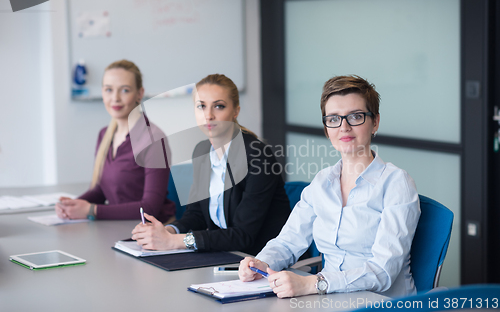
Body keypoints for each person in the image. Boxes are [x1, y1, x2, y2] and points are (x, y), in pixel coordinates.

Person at [239, 75, 421, 298]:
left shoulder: (396, 183)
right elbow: (288, 242)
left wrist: (313, 284)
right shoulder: (322, 182)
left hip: (381, 303)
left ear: (375, 122)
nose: (344, 127)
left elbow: (383, 272)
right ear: (327, 128)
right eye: (333, 119)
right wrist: (260, 263)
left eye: (356, 116)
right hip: (329, 300)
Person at [131, 74, 291, 256]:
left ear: (235, 111)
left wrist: (174, 242)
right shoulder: (202, 151)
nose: (209, 115)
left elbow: (243, 235)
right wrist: (167, 232)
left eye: (219, 106)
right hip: (224, 256)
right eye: (201, 106)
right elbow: (196, 214)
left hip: (261, 262)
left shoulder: (257, 155)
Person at [55, 60, 176, 221]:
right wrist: (74, 205)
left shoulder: (153, 139)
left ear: (139, 94)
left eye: (124, 90)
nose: (115, 98)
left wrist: (92, 210)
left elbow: (150, 208)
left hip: (151, 233)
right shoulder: (104, 135)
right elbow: (101, 190)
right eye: (109, 90)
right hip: (116, 226)